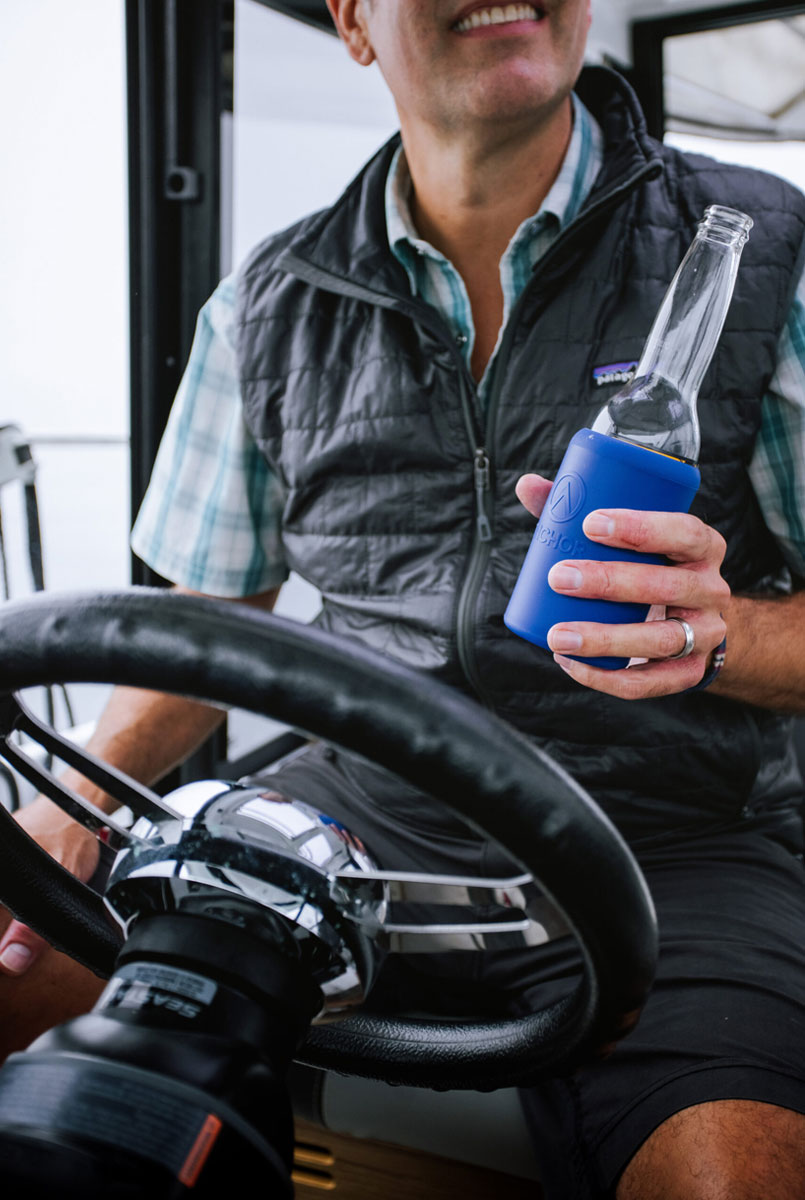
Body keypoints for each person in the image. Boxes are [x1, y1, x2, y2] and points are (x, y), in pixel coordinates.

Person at [2, 1, 805, 1195]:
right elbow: (200, 623)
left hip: (677, 839)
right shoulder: (265, 304)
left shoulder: (764, 256)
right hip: (354, 815)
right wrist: (66, 819)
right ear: (353, 22)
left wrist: (719, 631)